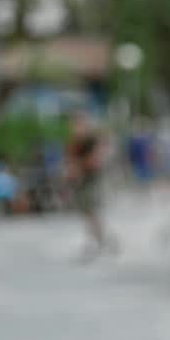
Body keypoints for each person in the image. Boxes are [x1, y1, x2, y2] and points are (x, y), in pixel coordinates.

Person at [65, 111, 119, 260]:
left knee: (92, 210)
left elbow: (96, 160)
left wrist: (79, 166)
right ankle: (102, 240)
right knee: (87, 212)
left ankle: (99, 241)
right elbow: (71, 159)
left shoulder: (91, 140)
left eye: (78, 124)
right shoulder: (75, 141)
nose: (75, 127)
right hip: (81, 180)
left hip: (92, 179)